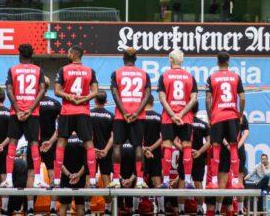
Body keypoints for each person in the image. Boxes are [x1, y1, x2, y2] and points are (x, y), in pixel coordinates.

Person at [53, 46, 100, 184]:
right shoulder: (90, 71)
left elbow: (56, 90)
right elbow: (95, 91)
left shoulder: (64, 69)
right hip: (83, 111)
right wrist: (84, 99)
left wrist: (69, 97)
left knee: (61, 143)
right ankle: (92, 180)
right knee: (89, 144)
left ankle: (56, 181)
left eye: (68, 52)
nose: (67, 54)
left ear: (74, 54)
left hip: (67, 110)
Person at [6, 43, 48, 185]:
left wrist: (18, 110)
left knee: (12, 143)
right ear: (32, 56)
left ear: (20, 56)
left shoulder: (13, 69)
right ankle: (37, 179)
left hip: (16, 113)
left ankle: (8, 180)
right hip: (32, 113)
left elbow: (9, 90)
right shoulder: (38, 70)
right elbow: (42, 90)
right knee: (34, 144)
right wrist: (30, 110)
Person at [110, 47, 152, 187]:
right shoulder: (144, 74)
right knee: (138, 147)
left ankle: (116, 180)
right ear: (135, 59)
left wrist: (124, 112)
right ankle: (140, 181)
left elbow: (115, 94)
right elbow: (147, 95)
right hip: (138, 116)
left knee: (117, 146)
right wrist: (137, 112)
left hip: (120, 116)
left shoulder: (116, 73)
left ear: (123, 58)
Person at [205, 52, 246, 188]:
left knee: (216, 147)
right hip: (232, 116)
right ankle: (235, 180)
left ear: (217, 62)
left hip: (217, 117)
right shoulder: (236, 77)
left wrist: (210, 116)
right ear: (228, 61)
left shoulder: (211, 78)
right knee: (234, 146)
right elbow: (243, 97)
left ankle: (214, 181)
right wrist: (240, 114)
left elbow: (207, 99)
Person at [159, 48, 197, 188]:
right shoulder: (189, 76)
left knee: (167, 146)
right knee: (187, 146)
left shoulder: (164, 76)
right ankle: (187, 180)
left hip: (169, 118)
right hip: (185, 117)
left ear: (170, 59)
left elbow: (162, 98)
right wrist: (181, 114)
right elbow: (194, 99)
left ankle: (166, 181)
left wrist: (173, 115)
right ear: (182, 60)